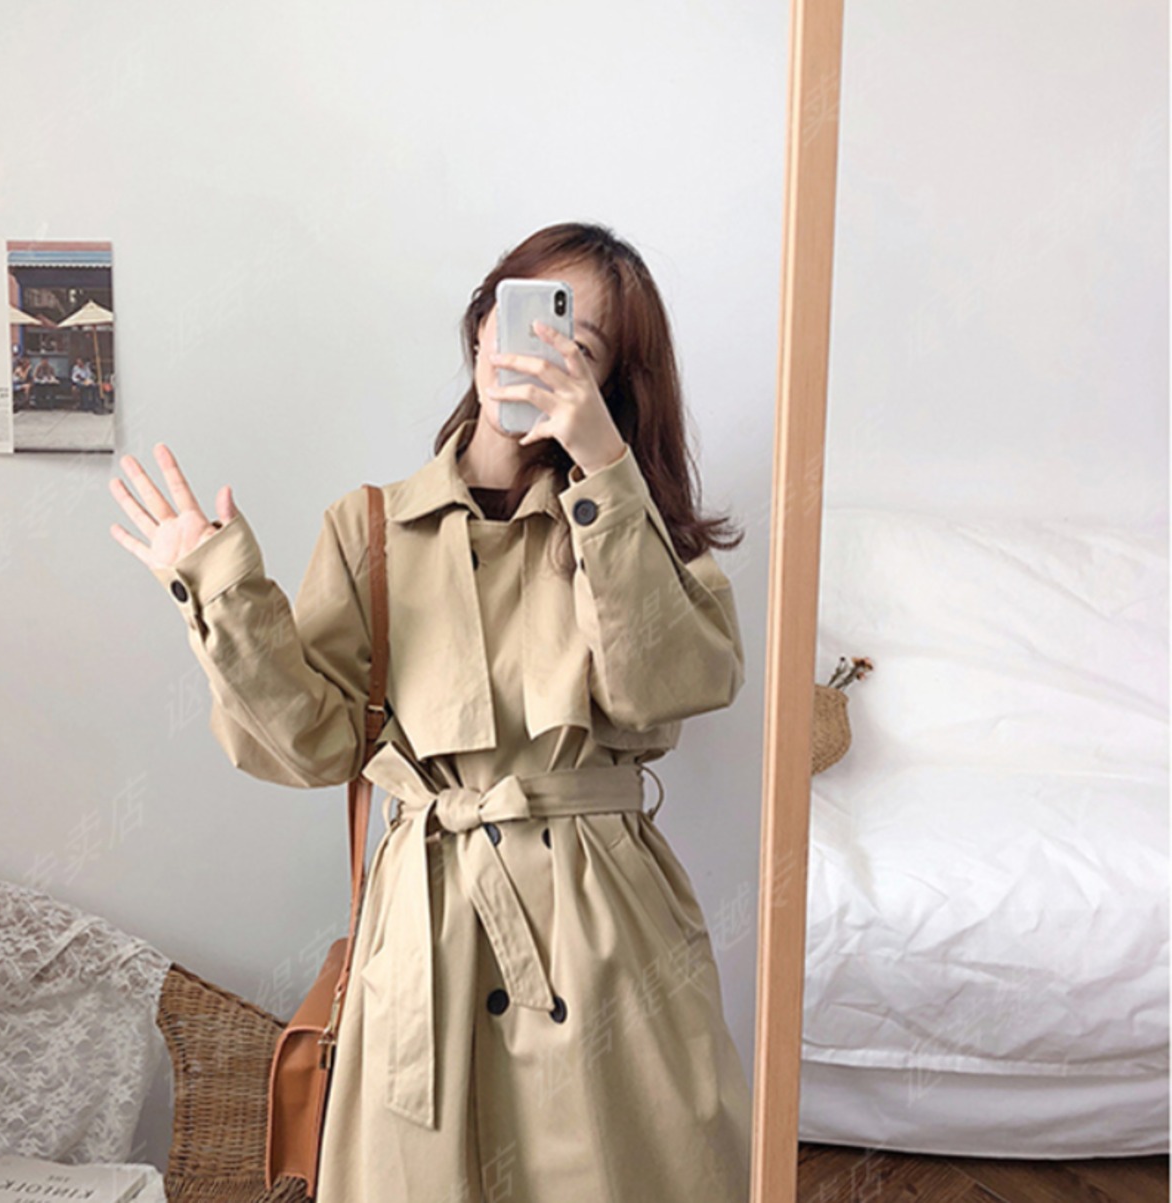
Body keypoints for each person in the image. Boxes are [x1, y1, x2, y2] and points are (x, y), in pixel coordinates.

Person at [108, 222, 752, 1202]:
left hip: (604, 926)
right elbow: (313, 747)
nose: (538, 352)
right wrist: (219, 587)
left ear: (612, 381)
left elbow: (663, 687)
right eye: (524, 316)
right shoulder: (369, 526)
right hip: (428, 925)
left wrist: (603, 469)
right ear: (482, 326)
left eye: (579, 344)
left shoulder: (640, 526)